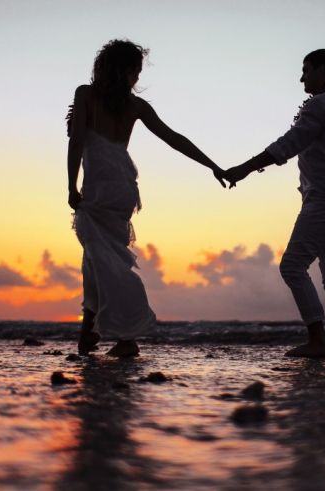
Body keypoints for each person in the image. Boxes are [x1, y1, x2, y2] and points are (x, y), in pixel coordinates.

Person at [67, 39, 226, 357]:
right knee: (97, 260)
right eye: (135, 71)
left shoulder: (88, 95)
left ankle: (125, 336)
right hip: (118, 189)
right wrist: (214, 166)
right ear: (122, 71)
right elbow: (174, 138)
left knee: (106, 261)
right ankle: (89, 332)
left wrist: (71, 186)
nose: (137, 78)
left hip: (103, 191)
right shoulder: (130, 105)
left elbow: (76, 143)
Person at [225, 49, 325, 359]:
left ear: (324, 71)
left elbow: (288, 144)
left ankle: (317, 339)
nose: (301, 77)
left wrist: (243, 169)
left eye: (307, 70)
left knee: (292, 266)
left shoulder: (319, 106)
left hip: (324, 200)